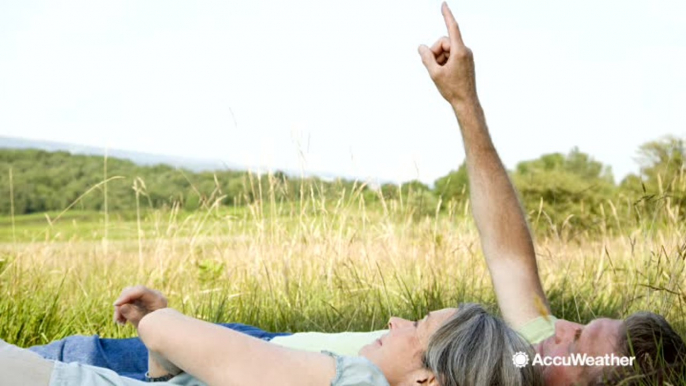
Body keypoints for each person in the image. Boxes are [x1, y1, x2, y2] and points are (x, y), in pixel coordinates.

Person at [26, 1, 686, 384]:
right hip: (253, 348)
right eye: (580, 324)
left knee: (68, 369)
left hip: (242, 371)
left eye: (580, 347)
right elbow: (509, 253)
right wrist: (465, 105)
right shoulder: (522, 345)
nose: (561, 329)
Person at [0, 286, 541, 385]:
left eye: (417, 327)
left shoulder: (352, 380)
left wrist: (159, 324)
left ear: (428, 379)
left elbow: (164, 332)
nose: (395, 322)